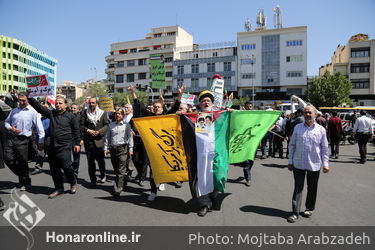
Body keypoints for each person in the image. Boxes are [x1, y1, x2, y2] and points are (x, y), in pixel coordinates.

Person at [28, 93, 80, 198]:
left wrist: (77, 143)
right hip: (52, 146)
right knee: (54, 169)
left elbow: (76, 131)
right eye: (56, 103)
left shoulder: (71, 116)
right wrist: (30, 98)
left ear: (66, 105)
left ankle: (73, 182)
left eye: (60, 103)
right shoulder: (52, 114)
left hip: (65, 146)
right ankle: (59, 188)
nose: (57, 105)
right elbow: (40, 108)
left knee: (66, 166)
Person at [287, 105, 329, 223]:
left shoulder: (321, 130)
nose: (307, 115)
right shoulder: (298, 128)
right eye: (306, 112)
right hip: (298, 163)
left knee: (312, 188)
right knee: (298, 188)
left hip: (314, 164)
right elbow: (292, 145)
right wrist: (290, 161)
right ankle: (295, 213)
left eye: (310, 113)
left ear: (315, 114)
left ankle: (309, 208)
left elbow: (324, 148)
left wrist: (325, 163)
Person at [4, 93, 45, 191]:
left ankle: (25, 182)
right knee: (7, 159)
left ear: (28, 100)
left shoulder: (33, 112)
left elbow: (40, 128)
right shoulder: (14, 111)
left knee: (22, 163)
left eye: (23, 100)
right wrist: (11, 128)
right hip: (11, 138)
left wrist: (41, 141)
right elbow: (6, 122)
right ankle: (23, 176)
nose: (21, 102)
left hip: (23, 140)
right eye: (20, 100)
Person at [104, 108, 133, 198]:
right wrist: (105, 148)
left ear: (123, 115)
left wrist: (131, 149)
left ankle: (118, 189)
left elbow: (130, 138)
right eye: (116, 113)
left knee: (120, 169)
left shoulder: (127, 125)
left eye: (120, 114)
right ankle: (124, 180)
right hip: (113, 149)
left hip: (123, 149)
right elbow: (107, 138)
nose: (118, 115)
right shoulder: (111, 125)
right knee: (116, 169)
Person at [80, 98, 109, 186]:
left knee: (101, 161)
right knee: (90, 162)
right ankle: (93, 180)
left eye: (93, 103)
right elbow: (81, 125)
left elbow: (107, 125)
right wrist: (88, 130)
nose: (91, 104)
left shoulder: (103, 113)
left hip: (99, 141)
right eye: (90, 103)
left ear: (97, 104)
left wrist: (99, 131)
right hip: (89, 142)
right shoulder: (84, 113)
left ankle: (103, 175)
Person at [71, 103, 83, 177]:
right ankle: (68, 171)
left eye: (74, 108)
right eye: (72, 108)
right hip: (68, 140)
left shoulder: (80, 117)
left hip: (76, 140)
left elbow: (82, 129)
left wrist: (82, 139)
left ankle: (75, 172)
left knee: (76, 157)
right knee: (66, 158)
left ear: (78, 110)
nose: (72, 109)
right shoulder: (68, 116)